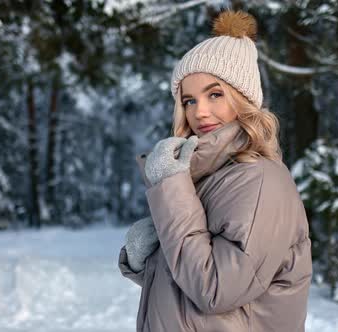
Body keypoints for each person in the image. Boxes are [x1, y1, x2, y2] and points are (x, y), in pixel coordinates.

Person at [118, 9, 312, 332]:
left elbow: (216, 289)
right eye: (189, 101)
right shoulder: (209, 177)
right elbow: (191, 289)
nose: (200, 112)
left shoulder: (261, 180)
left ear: (243, 98)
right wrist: (149, 259)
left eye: (215, 94)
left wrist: (171, 190)